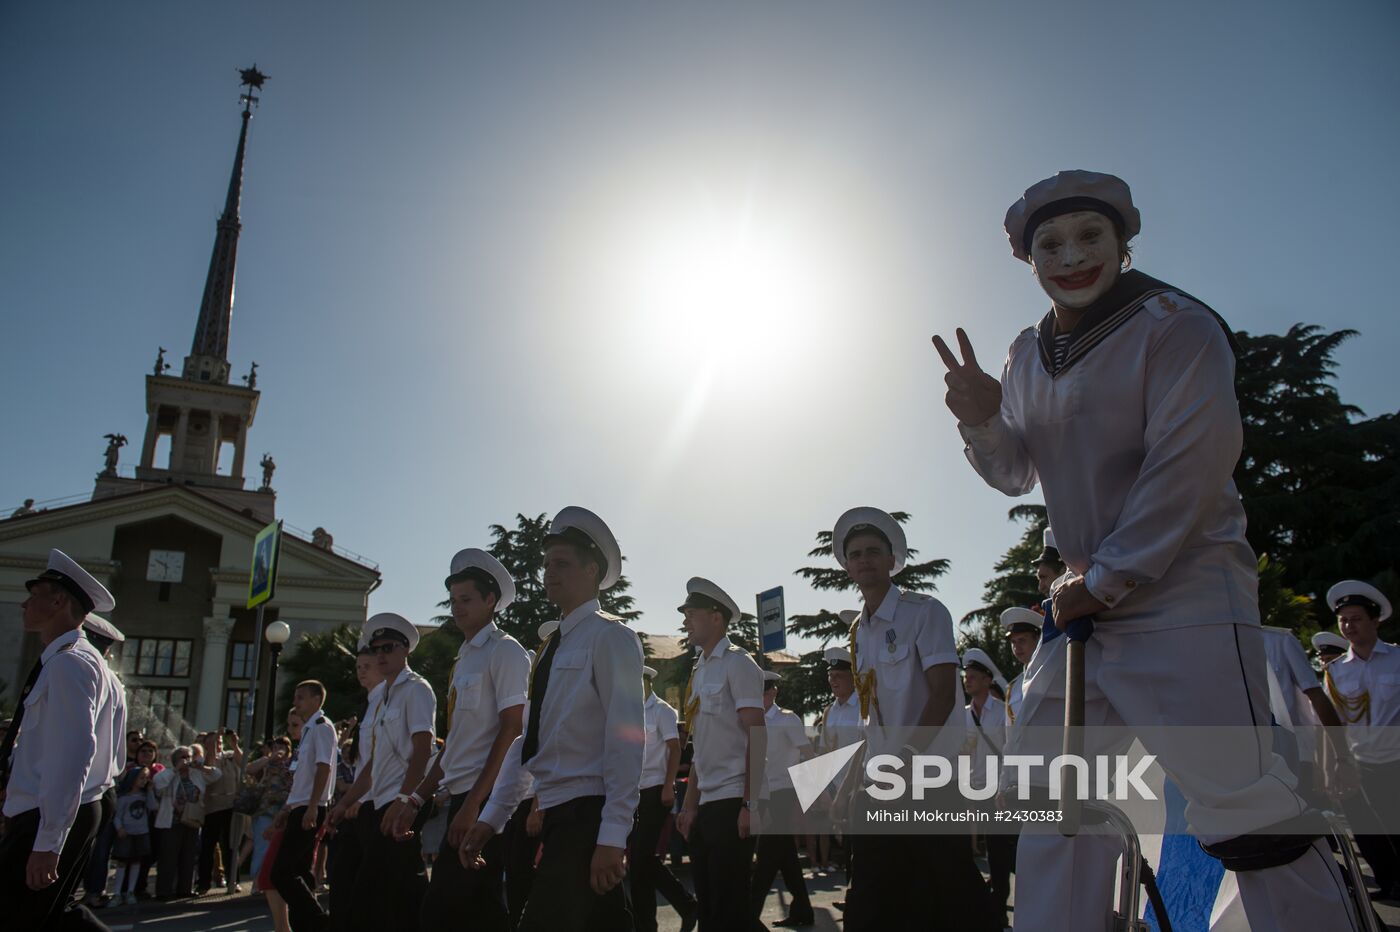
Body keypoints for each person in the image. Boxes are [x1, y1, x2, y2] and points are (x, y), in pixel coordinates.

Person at [933, 169, 1356, 930]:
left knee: (1242, 808)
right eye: (1050, 245)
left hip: (1183, 597)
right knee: (1055, 801)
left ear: (1123, 242)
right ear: (1028, 261)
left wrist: (1109, 575)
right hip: (1080, 612)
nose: (1071, 256)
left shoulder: (1177, 324)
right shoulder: (1026, 352)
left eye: (1090, 236)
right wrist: (981, 418)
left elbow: (1193, 458)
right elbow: (1012, 472)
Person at [463, 506, 644, 931]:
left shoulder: (611, 637)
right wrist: (493, 817)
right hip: (560, 814)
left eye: (561, 563)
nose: (549, 573)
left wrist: (613, 834)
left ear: (592, 570)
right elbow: (530, 742)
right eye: (546, 564)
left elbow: (626, 740)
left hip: (587, 814)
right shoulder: (551, 649)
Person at [828, 507, 997, 932]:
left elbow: (943, 692)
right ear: (847, 565)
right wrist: (850, 786)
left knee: (951, 894)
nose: (864, 560)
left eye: (873, 552)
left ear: (891, 560)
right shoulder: (859, 633)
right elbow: (873, 720)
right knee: (870, 901)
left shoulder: (925, 612)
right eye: (855, 554)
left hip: (929, 780)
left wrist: (906, 755)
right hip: (881, 781)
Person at [388, 548, 528, 932]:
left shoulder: (506, 651)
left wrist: (476, 806)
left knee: (442, 910)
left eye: (466, 599)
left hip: (488, 800)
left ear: (490, 600)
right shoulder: (464, 658)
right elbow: (454, 745)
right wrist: (416, 798)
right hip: (462, 796)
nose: (457, 608)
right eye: (453, 601)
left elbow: (513, 730)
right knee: (479, 910)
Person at [0, 549, 126, 930]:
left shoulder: (70, 663)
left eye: (34, 593)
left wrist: (48, 841)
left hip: (47, 815)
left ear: (58, 601)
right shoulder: (74, 659)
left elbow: (72, 754)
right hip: (60, 808)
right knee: (49, 918)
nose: (25, 603)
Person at [328, 613, 436, 932]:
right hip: (380, 803)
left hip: (401, 800)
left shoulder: (416, 689)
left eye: (388, 647)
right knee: (395, 891)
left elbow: (423, 749)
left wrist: (406, 800)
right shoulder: (383, 697)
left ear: (405, 650)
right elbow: (373, 765)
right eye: (376, 649)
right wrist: (345, 802)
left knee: (375, 890)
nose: (381, 655)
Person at [671, 576, 766, 932]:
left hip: (732, 801)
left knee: (731, 909)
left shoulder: (737, 663)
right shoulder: (700, 669)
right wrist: (690, 804)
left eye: (691, 614)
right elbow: (701, 747)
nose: (685, 621)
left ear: (715, 617)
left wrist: (749, 805)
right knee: (711, 910)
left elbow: (757, 735)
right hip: (707, 802)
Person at [1322, 579, 1400, 900]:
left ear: (1374, 620)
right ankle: (1389, 881)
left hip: (1396, 759)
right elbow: (1328, 725)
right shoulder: (1336, 672)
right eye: (1343, 620)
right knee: (1367, 829)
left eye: (1355, 618)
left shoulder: (1397, 659)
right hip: (1359, 762)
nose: (1348, 626)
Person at [631, 664, 697, 932]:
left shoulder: (662, 711)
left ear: (648, 683)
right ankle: (685, 906)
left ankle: (649, 922)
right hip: (632, 792)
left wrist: (669, 785)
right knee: (641, 861)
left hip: (656, 789)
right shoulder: (627, 711)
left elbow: (674, 749)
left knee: (639, 860)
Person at [269, 681, 338, 931]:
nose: (295, 702)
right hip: (300, 806)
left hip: (311, 807)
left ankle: (321, 922)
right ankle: (306, 926)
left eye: (301, 697)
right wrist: (287, 809)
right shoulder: (309, 730)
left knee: (281, 872)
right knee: (300, 870)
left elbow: (323, 767)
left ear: (316, 700)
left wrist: (311, 806)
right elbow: (302, 776)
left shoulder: (322, 727)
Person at [749, 671, 815, 929]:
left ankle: (749, 915)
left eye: (765, 692)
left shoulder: (787, 719)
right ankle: (804, 911)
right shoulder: (752, 719)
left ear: (774, 692)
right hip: (762, 793)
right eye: (758, 693)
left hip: (783, 793)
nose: (762, 697)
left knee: (766, 857)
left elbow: (807, 753)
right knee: (785, 857)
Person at [327, 638, 382, 932]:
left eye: (367, 666)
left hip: (373, 802)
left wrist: (356, 800)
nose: (361, 672)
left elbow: (385, 761)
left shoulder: (388, 699)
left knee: (362, 884)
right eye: (358, 666)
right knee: (344, 879)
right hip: (360, 801)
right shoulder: (369, 704)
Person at [961, 648, 1012, 930]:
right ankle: (976, 902)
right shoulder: (963, 715)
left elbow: (1010, 747)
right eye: (966, 677)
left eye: (972, 677)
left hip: (995, 789)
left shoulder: (1001, 711)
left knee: (997, 851)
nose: (967, 681)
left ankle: (999, 907)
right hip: (970, 787)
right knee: (964, 849)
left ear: (986, 680)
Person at [815, 641, 864, 875]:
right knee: (848, 848)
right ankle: (852, 897)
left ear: (852, 678)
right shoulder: (829, 712)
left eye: (839, 676)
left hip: (861, 786)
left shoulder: (862, 708)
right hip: (838, 789)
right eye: (830, 676)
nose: (833, 681)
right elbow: (825, 754)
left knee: (862, 848)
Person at [152, 745, 222, 899]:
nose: (187, 760)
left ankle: (184, 889)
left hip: (192, 820)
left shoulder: (196, 774)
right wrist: (176, 770)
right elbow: (158, 785)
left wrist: (202, 766)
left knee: (189, 857)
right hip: (172, 821)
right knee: (168, 857)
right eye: (183, 757)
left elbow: (216, 774)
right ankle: (164, 891)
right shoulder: (168, 774)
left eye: (189, 756)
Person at [197, 729, 244, 894]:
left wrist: (235, 744)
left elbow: (243, 763)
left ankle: (234, 880)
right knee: (208, 846)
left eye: (218, 742)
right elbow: (208, 767)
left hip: (231, 806)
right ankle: (203, 883)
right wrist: (211, 748)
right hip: (212, 808)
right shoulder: (204, 760)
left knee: (231, 845)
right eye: (212, 742)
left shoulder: (230, 755)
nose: (217, 745)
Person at [246, 736, 296, 885]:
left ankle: (270, 881)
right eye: (275, 748)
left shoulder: (293, 764)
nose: (278, 751)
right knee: (262, 847)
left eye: (282, 748)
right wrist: (269, 758)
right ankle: (257, 881)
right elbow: (249, 769)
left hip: (285, 812)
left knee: (278, 850)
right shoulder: (267, 763)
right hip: (265, 811)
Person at [108, 766, 155, 906]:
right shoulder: (124, 797)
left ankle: (130, 891)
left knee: (136, 862)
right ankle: (117, 893)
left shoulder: (144, 795)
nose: (144, 781)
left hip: (141, 832)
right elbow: (117, 816)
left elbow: (153, 806)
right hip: (126, 833)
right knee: (122, 862)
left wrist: (151, 790)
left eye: (146, 777)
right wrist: (119, 828)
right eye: (141, 777)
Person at [998, 607, 1041, 725]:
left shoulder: (1052, 674)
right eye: (1013, 642)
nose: (1017, 647)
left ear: (1037, 639)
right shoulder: (1013, 688)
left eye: (1022, 640)